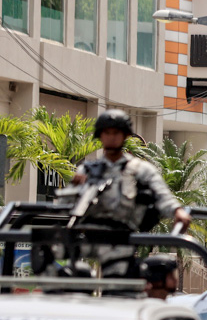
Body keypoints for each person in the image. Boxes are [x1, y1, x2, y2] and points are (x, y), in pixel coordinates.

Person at [71, 110, 191, 277]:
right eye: (107, 132)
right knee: (61, 270)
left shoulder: (141, 170)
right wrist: (76, 189)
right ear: (100, 135)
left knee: (118, 279)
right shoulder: (87, 170)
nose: (111, 137)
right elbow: (68, 206)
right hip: (88, 237)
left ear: (125, 136)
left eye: (116, 133)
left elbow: (162, 195)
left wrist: (177, 211)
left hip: (122, 239)